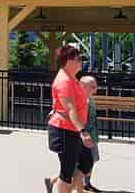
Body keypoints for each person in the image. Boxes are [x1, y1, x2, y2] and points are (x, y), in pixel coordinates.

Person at [44, 46, 93, 193]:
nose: (81, 61)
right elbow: (70, 108)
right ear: (68, 61)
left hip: (73, 129)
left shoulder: (72, 78)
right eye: (78, 58)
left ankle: (54, 182)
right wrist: (83, 131)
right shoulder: (63, 80)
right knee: (67, 172)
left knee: (86, 162)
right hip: (64, 130)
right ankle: (62, 186)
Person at [45, 75, 102, 192]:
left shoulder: (88, 99)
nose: (96, 89)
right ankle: (69, 187)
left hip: (83, 136)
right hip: (69, 135)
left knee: (85, 163)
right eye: (93, 87)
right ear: (82, 86)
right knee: (69, 170)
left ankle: (72, 187)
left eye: (96, 86)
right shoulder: (74, 99)